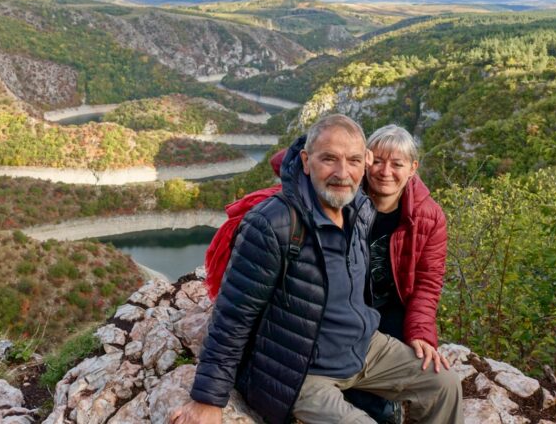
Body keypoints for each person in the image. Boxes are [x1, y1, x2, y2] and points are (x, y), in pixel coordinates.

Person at [170, 114, 462, 424]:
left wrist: (421, 333)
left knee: (445, 385)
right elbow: (233, 316)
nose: (342, 172)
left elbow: (427, 282)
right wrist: (207, 399)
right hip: (300, 369)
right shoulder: (274, 224)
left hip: (363, 347)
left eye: (352, 160)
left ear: (364, 162)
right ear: (306, 161)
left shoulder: (359, 208)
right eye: (329, 159)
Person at [344, 124, 453, 421]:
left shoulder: (428, 216)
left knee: (390, 376)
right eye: (377, 161)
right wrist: (340, 149)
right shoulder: (344, 196)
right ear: (365, 160)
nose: (385, 171)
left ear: (413, 168)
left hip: (393, 308)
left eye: (397, 164)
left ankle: (386, 411)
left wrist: (421, 333)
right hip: (348, 306)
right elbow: (285, 164)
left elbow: (428, 284)